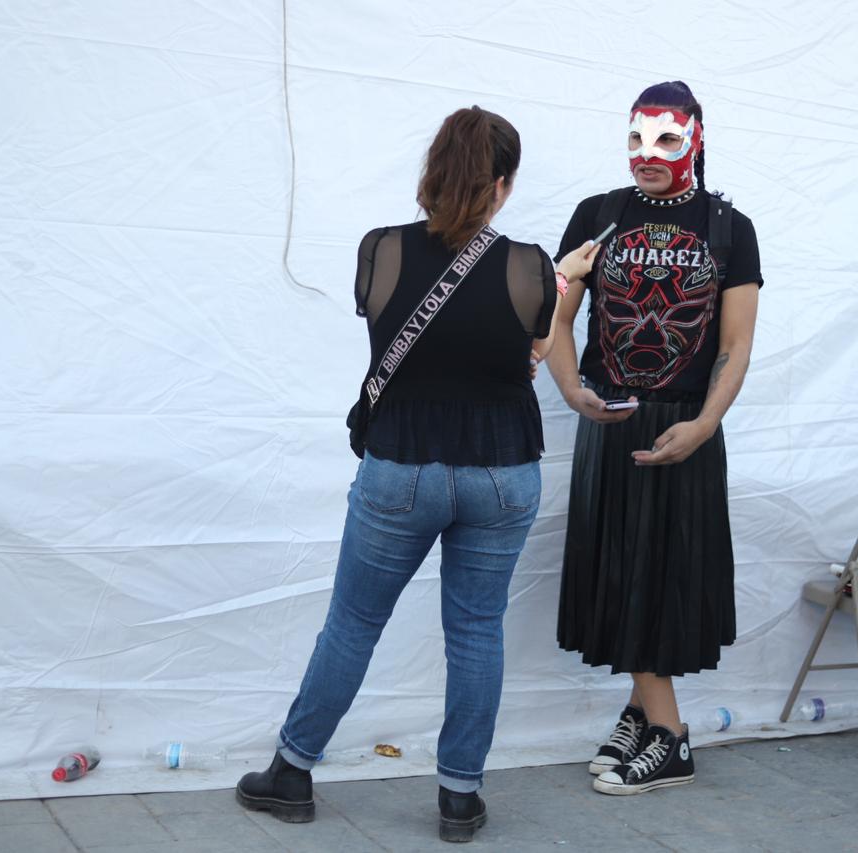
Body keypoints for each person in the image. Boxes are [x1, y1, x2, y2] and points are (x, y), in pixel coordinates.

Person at [234, 106, 599, 843]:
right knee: (476, 630)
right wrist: (563, 277)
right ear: (503, 185)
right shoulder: (531, 267)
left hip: (402, 466)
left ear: (431, 172)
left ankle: (292, 771)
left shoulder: (380, 250)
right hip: (501, 473)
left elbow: (395, 323)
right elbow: (529, 349)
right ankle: (459, 797)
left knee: (354, 623)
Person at [547, 81, 762, 796]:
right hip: (611, 426)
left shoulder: (729, 227)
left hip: (685, 428)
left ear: (695, 138)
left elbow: (736, 344)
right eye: (637, 137)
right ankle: (643, 716)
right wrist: (571, 388)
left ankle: (671, 738)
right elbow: (555, 312)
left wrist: (704, 425)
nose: (648, 153)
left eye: (666, 139)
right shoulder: (598, 214)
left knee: (665, 579)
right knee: (619, 577)